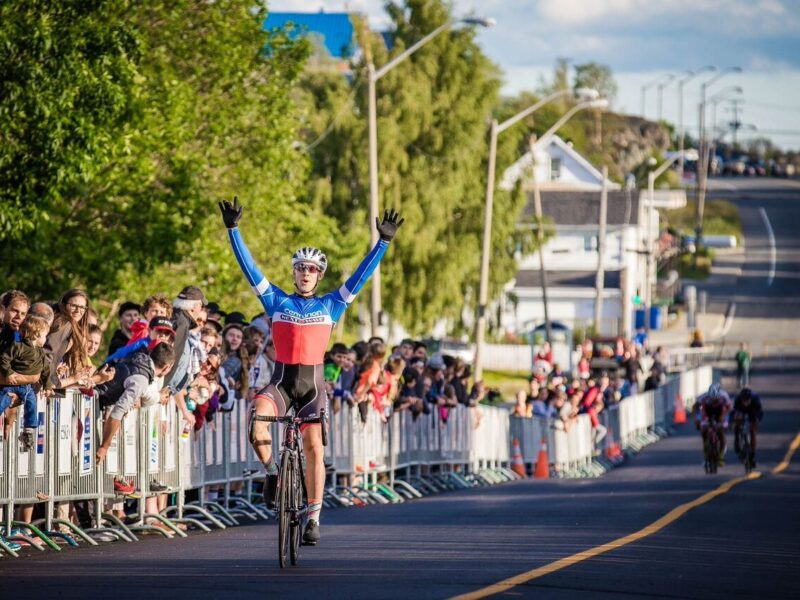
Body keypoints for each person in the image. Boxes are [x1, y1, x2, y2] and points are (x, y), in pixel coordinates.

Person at [220, 196, 403, 546]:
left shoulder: (331, 303)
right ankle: (274, 472)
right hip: (281, 383)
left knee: (315, 448)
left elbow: (362, 276)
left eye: (312, 269)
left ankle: (314, 517)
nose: (306, 273)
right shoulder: (275, 300)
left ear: (319, 275)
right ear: (293, 272)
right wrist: (233, 229)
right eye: (301, 268)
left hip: (313, 388)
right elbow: (248, 267)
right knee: (257, 421)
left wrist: (382, 242)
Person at [0, 315, 50, 450]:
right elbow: (3, 360)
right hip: (10, 385)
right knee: (4, 401)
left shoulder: (40, 353)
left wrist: (48, 385)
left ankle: (28, 431)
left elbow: (46, 370)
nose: (46, 339)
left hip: (27, 387)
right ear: (36, 334)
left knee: (31, 405)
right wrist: (9, 373)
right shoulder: (18, 347)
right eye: (45, 336)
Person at [692, 383, 733, 467]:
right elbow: (695, 408)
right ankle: (706, 453)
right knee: (704, 430)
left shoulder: (724, 396)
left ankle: (721, 456)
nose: (714, 401)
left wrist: (724, 417)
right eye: (712, 399)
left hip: (720, 412)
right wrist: (696, 420)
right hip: (708, 412)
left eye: (716, 400)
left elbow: (730, 408)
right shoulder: (704, 397)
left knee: (721, 431)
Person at [733, 387, 763, 468]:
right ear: (741, 399)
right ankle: (737, 442)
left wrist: (757, 421)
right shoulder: (738, 400)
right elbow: (733, 413)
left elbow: (760, 412)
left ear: (750, 399)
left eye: (747, 400)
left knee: (753, 431)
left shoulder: (755, 400)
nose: (746, 402)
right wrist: (732, 423)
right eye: (744, 400)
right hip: (741, 412)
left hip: (752, 412)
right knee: (736, 425)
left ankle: (752, 454)